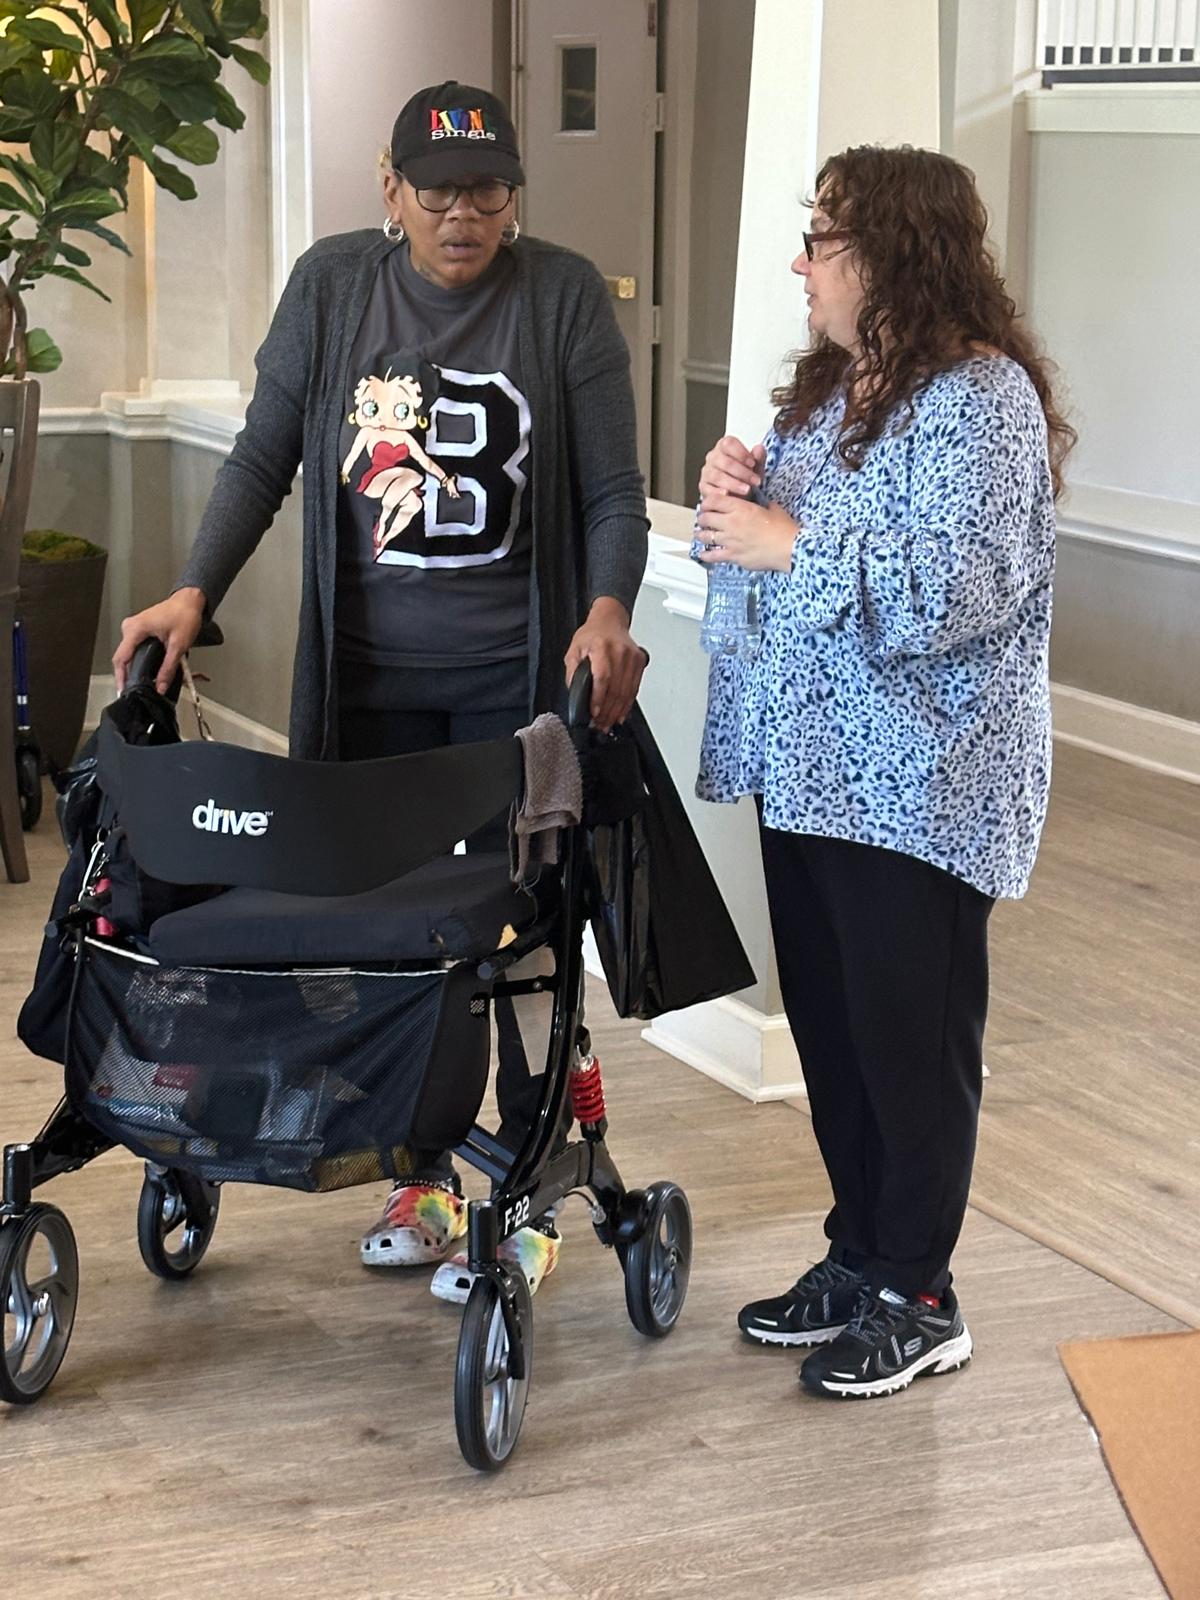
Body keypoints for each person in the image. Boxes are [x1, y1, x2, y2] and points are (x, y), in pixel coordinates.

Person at [113, 80, 649, 1301]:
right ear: (390, 187)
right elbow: (263, 453)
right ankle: (418, 1173)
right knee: (377, 941)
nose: (465, 215)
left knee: (517, 937)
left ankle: (522, 1181)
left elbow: (615, 491)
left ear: (513, 194)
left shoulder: (562, 297)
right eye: (439, 190)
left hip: (513, 701)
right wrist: (194, 591)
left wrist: (608, 607)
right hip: (366, 697)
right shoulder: (332, 288)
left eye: (489, 190)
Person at [694, 144, 1073, 1399]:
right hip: (810, 773)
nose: (801, 263)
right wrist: (734, 499)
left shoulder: (983, 400)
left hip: (921, 788)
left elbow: (960, 587)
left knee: (911, 1047)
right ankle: (860, 1253)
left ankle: (921, 1292)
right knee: (837, 1035)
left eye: (824, 239)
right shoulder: (830, 393)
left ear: (894, 252)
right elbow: (767, 561)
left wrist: (786, 538)